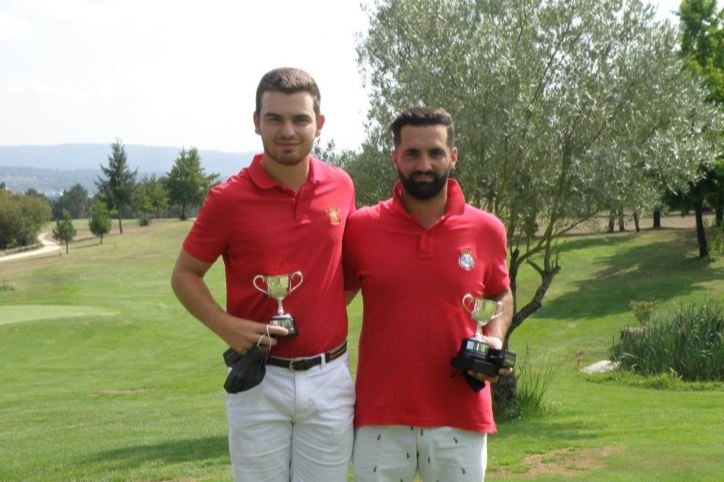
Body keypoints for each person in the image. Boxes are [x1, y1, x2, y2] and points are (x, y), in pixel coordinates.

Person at [171, 67, 356, 481]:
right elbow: (185, 274)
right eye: (275, 119)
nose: (287, 130)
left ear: (319, 124)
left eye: (300, 119)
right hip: (259, 379)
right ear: (256, 122)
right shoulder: (228, 199)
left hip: (329, 379)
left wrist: (324, 307)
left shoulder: (341, 187)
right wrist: (226, 327)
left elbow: (350, 270)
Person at [343, 107, 514, 481]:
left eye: (435, 153)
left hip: (462, 416)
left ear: (452, 156)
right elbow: (333, 301)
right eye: (412, 154)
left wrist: (495, 338)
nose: (424, 164)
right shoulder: (361, 227)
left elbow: (501, 294)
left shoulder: (487, 229)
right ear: (395, 158)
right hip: (380, 418)